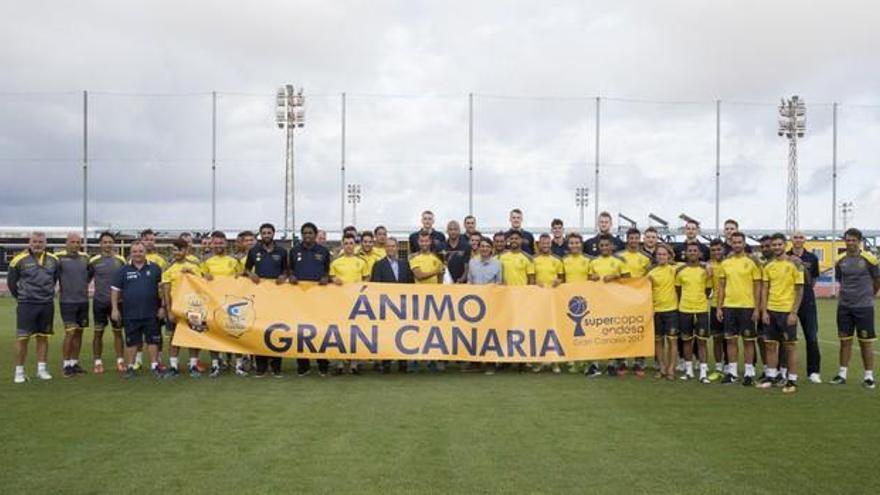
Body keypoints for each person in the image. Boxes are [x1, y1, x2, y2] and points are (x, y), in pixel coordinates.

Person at [830, 228, 880, 389]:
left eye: (853, 240)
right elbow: (840, 279)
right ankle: (842, 374)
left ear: (859, 241)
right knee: (845, 341)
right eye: (848, 240)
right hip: (844, 306)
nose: (850, 243)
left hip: (864, 307)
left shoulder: (869, 259)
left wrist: (870, 295)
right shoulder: (840, 259)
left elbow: (877, 279)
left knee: (865, 342)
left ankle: (869, 377)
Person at [9, 232, 59, 383]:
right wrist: (22, 297)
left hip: (46, 304)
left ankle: (42, 370)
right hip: (26, 305)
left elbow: (54, 278)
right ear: (30, 242)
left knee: (43, 337)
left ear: (45, 244)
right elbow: (12, 283)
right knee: (22, 339)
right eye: (35, 241)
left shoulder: (53, 260)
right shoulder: (18, 260)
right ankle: (19, 372)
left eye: (41, 242)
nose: (38, 244)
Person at [757, 233, 804, 393]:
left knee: (790, 347)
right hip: (771, 310)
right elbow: (764, 289)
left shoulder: (795, 264)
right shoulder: (768, 266)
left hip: (787, 312)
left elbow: (799, 290)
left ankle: (792, 381)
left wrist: (794, 312)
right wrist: (764, 311)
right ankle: (771, 376)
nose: (776, 247)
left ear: (785, 245)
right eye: (774, 245)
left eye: (779, 244)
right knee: (770, 345)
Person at [111, 241, 164, 379]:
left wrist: (163, 307)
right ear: (131, 253)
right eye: (135, 251)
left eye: (140, 251)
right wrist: (115, 309)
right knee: (131, 341)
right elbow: (115, 291)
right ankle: (130, 367)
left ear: (145, 252)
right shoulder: (123, 270)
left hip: (151, 312)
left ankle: (154, 366)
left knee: (153, 341)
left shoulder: (155, 268)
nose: (138, 254)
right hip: (130, 313)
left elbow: (162, 290)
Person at [717, 231, 762, 385]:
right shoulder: (725, 263)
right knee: (730, 340)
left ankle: (749, 372)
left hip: (747, 307)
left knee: (748, 341)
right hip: (729, 307)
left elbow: (757, 287)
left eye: (739, 242)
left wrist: (757, 308)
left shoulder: (751, 263)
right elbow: (721, 287)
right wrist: (719, 307)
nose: (736, 245)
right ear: (730, 243)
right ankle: (732, 372)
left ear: (744, 243)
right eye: (734, 242)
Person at [244, 223, 288, 377]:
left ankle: (276, 367)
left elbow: (287, 270)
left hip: (277, 298)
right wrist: (251, 274)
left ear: (273, 234)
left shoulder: (282, 251)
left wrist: (284, 276)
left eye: (269, 232)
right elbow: (246, 269)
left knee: (277, 330)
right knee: (259, 330)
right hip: (260, 297)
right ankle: (261, 367)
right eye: (264, 233)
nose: (266, 235)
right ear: (261, 235)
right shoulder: (254, 251)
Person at [289, 222, 332, 376]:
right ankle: (303, 365)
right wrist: (291, 276)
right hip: (299, 298)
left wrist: (326, 277)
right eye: (305, 233)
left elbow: (328, 271)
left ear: (315, 234)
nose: (307, 236)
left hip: (319, 298)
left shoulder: (323, 251)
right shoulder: (294, 251)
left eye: (310, 233)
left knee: (320, 330)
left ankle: (323, 363)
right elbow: (289, 270)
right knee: (300, 331)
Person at [200, 231, 245, 377]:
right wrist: (203, 277)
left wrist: (240, 277)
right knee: (214, 334)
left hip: (232, 304)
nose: (218, 245)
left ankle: (239, 365)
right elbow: (198, 279)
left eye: (221, 243)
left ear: (226, 243)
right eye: (215, 243)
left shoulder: (233, 260)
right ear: (212, 244)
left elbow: (243, 276)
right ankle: (215, 365)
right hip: (213, 304)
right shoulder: (206, 261)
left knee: (235, 333)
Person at [585, 234, 630, 377]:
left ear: (612, 246)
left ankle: (611, 364)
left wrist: (616, 277)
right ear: (599, 247)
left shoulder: (619, 261)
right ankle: (594, 364)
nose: (604, 248)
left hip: (614, 302)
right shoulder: (593, 262)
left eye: (607, 245)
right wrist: (592, 278)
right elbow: (588, 279)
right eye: (602, 246)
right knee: (595, 332)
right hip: (597, 302)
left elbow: (628, 280)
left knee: (611, 332)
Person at [370, 236, 414, 373]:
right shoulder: (378, 265)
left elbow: (411, 285)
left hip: (403, 307)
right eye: (388, 246)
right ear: (385, 248)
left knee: (403, 335)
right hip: (386, 307)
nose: (391, 248)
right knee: (386, 335)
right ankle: (386, 363)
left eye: (393, 246)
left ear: (397, 248)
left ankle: (403, 364)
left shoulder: (405, 264)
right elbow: (375, 286)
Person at [161, 239, 203, 378]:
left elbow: (202, 286)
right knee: (174, 337)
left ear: (186, 250)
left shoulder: (195, 266)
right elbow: (166, 291)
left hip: (193, 307)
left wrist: (192, 274)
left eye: (180, 250)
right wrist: (169, 310)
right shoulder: (168, 268)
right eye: (174, 250)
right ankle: (173, 366)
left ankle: (193, 365)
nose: (177, 253)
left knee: (193, 336)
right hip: (175, 308)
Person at [330, 234, 370, 375]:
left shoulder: (361, 262)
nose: (348, 245)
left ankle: (354, 363)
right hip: (340, 302)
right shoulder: (335, 263)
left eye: (351, 243)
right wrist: (334, 279)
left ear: (355, 244)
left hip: (356, 302)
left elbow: (366, 279)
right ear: (342, 244)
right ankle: (340, 363)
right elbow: (331, 277)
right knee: (340, 331)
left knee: (356, 332)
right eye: (346, 243)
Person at [89, 232, 127, 373]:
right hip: (99, 302)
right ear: (100, 244)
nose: (107, 245)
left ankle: (120, 360)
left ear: (114, 243)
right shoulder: (94, 261)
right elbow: (87, 279)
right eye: (105, 242)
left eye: (110, 242)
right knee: (98, 333)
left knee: (118, 332)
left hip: (117, 303)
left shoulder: (120, 260)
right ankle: (97, 362)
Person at [786, 231, 822, 383]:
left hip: (807, 302)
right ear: (791, 239)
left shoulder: (812, 258)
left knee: (811, 337)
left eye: (801, 237)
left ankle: (813, 372)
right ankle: (785, 370)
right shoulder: (785, 256)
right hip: (788, 301)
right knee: (787, 339)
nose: (798, 240)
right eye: (795, 237)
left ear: (805, 240)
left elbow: (813, 281)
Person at [675, 243, 713, 383]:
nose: (692, 253)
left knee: (702, 341)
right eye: (690, 250)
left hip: (701, 309)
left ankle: (703, 372)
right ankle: (689, 370)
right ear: (686, 253)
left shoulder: (705, 271)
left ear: (700, 254)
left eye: (695, 251)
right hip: (684, 309)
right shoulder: (681, 271)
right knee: (686, 341)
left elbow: (708, 291)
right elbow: (678, 290)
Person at [499, 230, 536, 372]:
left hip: (522, 299)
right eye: (512, 238)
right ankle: (505, 359)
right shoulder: (501, 257)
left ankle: (522, 360)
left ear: (521, 241)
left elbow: (531, 279)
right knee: (505, 329)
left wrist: (529, 297)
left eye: (517, 238)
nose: (514, 240)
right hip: (505, 298)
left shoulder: (527, 258)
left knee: (521, 329)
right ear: (508, 240)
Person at [57, 232, 93, 377]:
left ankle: (74, 363)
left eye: (78, 242)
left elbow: (89, 275)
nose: (75, 245)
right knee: (70, 333)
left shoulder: (86, 258)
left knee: (79, 333)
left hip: (83, 301)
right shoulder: (59, 258)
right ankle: (66, 365)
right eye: (72, 242)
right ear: (66, 243)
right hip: (67, 302)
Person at [410, 232, 447, 372]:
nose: (424, 243)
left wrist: (440, 273)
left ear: (430, 242)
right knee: (416, 329)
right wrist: (436, 271)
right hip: (418, 299)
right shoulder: (414, 258)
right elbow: (418, 276)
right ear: (418, 242)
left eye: (426, 241)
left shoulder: (436, 259)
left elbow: (440, 281)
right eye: (422, 241)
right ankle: (414, 360)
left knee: (432, 330)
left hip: (433, 301)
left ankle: (431, 359)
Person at [618, 228, 653, 376]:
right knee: (622, 328)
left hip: (640, 299)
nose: (633, 241)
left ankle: (639, 362)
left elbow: (650, 275)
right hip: (622, 298)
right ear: (627, 239)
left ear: (640, 239)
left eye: (636, 238)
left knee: (639, 329)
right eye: (631, 238)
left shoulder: (646, 257)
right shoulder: (619, 256)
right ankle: (622, 361)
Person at [467, 237, 503, 375]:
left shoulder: (498, 264)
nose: (484, 248)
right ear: (479, 247)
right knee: (474, 333)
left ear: (491, 248)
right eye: (482, 246)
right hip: (474, 304)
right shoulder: (472, 262)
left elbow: (499, 283)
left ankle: (490, 363)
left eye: (487, 246)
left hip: (491, 303)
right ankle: (475, 362)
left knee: (490, 334)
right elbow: (470, 282)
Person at [533, 234, 563, 373]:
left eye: (547, 243)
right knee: (539, 330)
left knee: (554, 328)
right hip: (538, 300)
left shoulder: (557, 260)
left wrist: (559, 281)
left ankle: (555, 362)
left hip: (553, 299)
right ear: (539, 245)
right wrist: (535, 283)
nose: (545, 245)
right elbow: (531, 278)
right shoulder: (533, 260)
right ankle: (539, 361)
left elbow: (562, 278)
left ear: (551, 244)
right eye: (543, 243)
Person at [648, 244, 678, 380]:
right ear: (655, 256)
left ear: (669, 256)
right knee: (658, 341)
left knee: (672, 341)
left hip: (671, 310)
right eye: (659, 254)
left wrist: (705, 265)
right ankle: (662, 367)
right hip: (656, 311)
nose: (661, 256)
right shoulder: (651, 273)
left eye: (664, 254)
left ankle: (671, 368)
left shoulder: (675, 269)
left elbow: (692, 265)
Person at [707, 239, 727, 381]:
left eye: (718, 249)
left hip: (731, 305)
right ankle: (719, 367)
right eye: (713, 250)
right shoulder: (709, 266)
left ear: (723, 249)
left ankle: (729, 366)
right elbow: (707, 288)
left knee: (730, 338)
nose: (716, 252)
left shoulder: (730, 263)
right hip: (715, 306)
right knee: (717, 338)